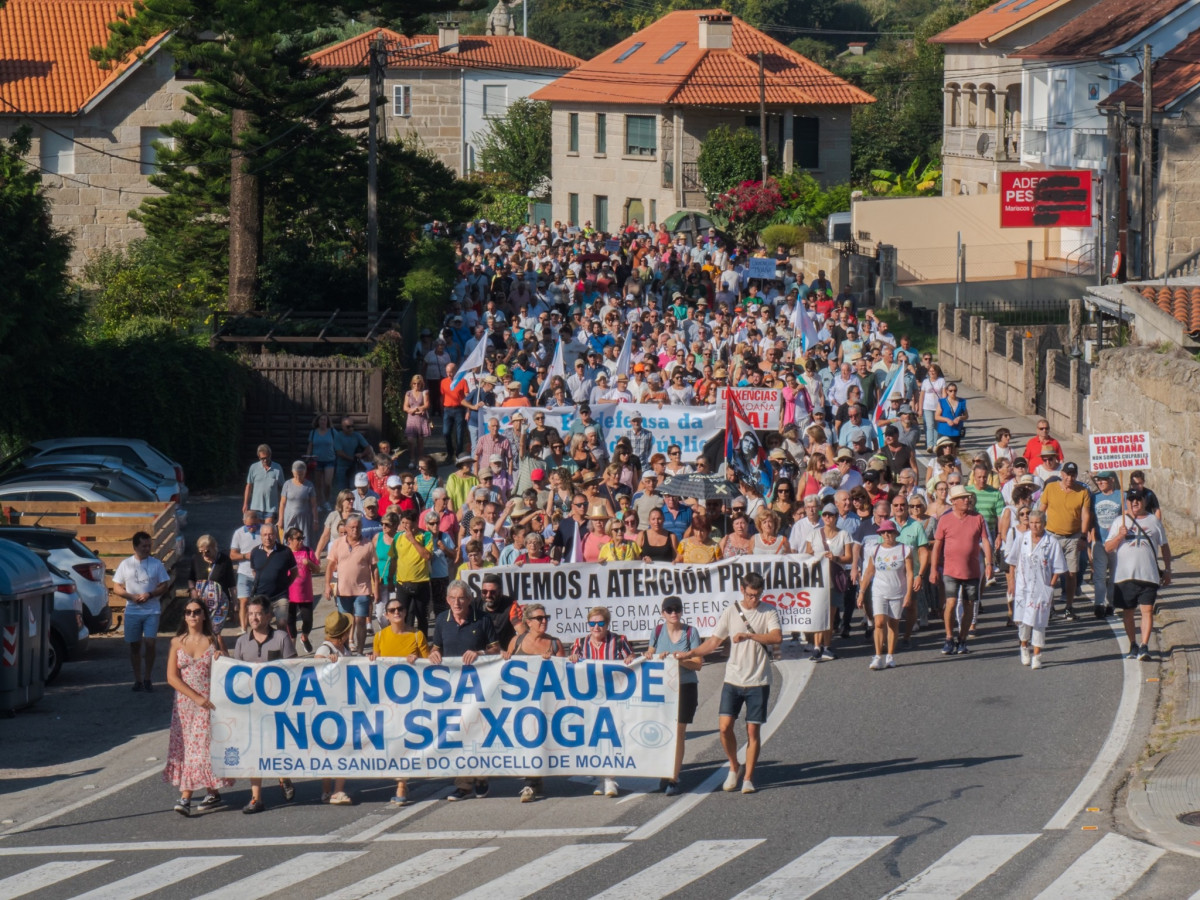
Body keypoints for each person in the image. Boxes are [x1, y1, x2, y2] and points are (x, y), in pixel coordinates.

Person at [687, 573, 782, 794]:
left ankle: (748, 778)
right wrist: (691, 653)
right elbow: (714, 641)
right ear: (742, 590)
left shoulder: (768, 611)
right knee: (724, 727)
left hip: (758, 679)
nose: (753, 599)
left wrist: (749, 636)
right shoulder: (731, 611)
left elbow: (776, 637)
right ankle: (734, 765)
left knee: (752, 730)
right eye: (749, 595)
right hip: (733, 678)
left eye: (757, 595)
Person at [429, 580, 502, 801]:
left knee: (478, 732)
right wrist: (433, 653)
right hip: (452, 689)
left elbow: (495, 648)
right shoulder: (442, 620)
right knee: (459, 734)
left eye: (461, 598)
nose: (457, 602)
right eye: (453, 598)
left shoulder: (483, 619)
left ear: (469, 599)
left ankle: (481, 778)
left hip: (479, 687)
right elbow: (436, 647)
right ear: (447, 600)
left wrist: (479, 653)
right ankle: (463, 785)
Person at [163, 599, 233, 816]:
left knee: (199, 749)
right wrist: (195, 697)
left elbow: (231, 669)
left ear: (204, 615)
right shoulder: (176, 642)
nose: (192, 615)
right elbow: (171, 677)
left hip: (208, 703)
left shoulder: (214, 640)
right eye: (188, 612)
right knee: (189, 750)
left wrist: (222, 657)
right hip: (185, 706)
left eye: (196, 611)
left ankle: (185, 798)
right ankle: (213, 792)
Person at [233, 595, 296, 813]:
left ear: (268, 615)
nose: (254, 618)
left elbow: (294, 668)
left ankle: (283, 775)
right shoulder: (241, 642)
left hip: (277, 705)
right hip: (251, 707)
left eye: (258, 614)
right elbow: (235, 674)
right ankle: (256, 798)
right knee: (254, 750)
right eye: (250, 614)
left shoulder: (281, 638)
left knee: (277, 745)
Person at [568, 605, 635, 798]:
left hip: (613, 695)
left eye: (600, 623)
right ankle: (600, 778)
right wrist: (573, 658)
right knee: (594, 737)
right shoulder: (580, 643)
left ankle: (610, 779)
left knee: (611, 736)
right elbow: (570, 663)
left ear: (607, 624)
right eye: (592, 623)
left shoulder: (619, 640)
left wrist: (630, 659)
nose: (596, 627)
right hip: (590, 698)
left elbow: (631, 658)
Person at [370, 594, 429, 805]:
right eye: (392, 610)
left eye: (400, 609)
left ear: (405, 612)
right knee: (392, 740)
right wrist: (372, 659)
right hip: (387, 698)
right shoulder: (379, 637)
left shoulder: (417, 635)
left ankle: (401, 784)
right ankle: (399, 778)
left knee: (405, 739)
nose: (397, 612)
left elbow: (429, 666)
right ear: (386, 615)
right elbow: (376, 665)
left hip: (411, 698)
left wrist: (418, 660)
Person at [505, 603, 566, 802]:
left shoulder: (554, 644)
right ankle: (533, 780)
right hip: (520, 703)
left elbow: (565, 676)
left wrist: (552, 663)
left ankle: (531, 783)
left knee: (537, 739)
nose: (544, 621)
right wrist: (505, 658)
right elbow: (505, 669)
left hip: (544, 702)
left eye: (546, 617)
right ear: (528, 622)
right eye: (539, 618)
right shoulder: (517, 641)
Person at [1106, 488, 1172, 661]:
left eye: (1138, 499)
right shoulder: (1119, 521)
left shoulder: (1154, 521)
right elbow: (1108, 548)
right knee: (1128, 611)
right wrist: (1119, 536)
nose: (1135, 502)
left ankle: (1144, 645)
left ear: (1144, 501)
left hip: (1148, 574)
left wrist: (1168, 569)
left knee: (1147, 610)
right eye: (1131, 499)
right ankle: (1133, 644)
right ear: (1126, 502)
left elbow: (1164, 546)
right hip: (1125, 575)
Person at [645, 596, 702, 795]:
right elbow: (650, 653)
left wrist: (679, 659)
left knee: (678, 733)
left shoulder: (690, 632)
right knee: (662, 731)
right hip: (662, 688)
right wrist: (650, 656)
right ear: (663, 613)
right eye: (669, 610)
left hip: (685, 686)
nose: (673, 613)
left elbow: (698, 664)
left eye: (677, 609)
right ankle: (666, 769)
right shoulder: (657, 632)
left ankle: (673, 778)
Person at [933, 485, 992, 655]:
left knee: (969, 604)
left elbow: (985, 541)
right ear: (954, 502)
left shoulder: (977, 518)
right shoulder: (945, 520)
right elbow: (937, 546)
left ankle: (962, 639)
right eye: (963, 498)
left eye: (967, 497)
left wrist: (989, 564)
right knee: (951, 603)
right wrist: (933, 569)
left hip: (972, 570)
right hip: (950, 570)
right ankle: (949, 637)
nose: (967, 500)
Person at [1006, 509, 1066, 670]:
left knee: (1039, 621)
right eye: (1032, 522)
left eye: (1037, 522)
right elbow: (1012, 562)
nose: (1034, 526)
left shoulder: (1051, 542)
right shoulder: (1022, 539)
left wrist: (1051, 586)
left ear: (1044, 523)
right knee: (1023, 622)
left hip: (1041, 588)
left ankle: (1037, 655)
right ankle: (1024, 646)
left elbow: (1058, 567)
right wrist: (1011, 582)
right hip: (1022, 587)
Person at [113, 531, 171, 692]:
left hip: (152, 610)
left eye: (149, 546)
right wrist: (130, 596)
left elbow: (164, 585)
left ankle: (148, 677)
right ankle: (138, 679)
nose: (147, 549)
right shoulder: (126, 564)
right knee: (134, 645)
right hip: (133, 611)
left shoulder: (156, 564)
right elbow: (116, 586)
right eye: (143, 546)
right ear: (135, 546)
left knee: (150, 643)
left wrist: (150, 594)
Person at [313, 611, 357, 805]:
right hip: (330, 706)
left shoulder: (342, 648)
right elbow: (315, 667)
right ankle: (333, 791)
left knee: (336, 748)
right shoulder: (325, 649)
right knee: (336, 749)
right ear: (344, 633)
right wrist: (327, 664)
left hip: (341, 705)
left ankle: (331, 790)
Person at [857, 520, 912, 670]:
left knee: (893, 624)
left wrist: (908, 594)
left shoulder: (904, 549)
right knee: (879, 622)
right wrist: (861, 592)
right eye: (883, 532)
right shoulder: (875, 550)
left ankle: (890, 655)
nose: (886, 535)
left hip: (897, 591)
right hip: (879, 590)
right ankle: (878, 656)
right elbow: (869, 572)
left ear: (895, 533)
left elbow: (909, 573)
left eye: (889, 532)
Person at [1038, 461, 1090, 620]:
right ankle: (1050, 606)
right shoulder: (1050, 488)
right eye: (1067, 474)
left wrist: (1083, 536)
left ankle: (1069, 607)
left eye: (1073, 475)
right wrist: (1037, 532)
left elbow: (1086, 515)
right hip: (1052, 536)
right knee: (1049, 573)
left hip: (1073, 537)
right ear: (1062, 474)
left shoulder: (1083, 491)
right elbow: (1041, 510)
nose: (1069, 478)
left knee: (1072, 573)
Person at [805, 503, 852, 661]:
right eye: (824, 514)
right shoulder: (813, 534)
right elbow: (807, 555)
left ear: (836, 517)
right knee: (818, 613)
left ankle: (827, 645)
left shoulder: (844, 534)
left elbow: (849, 557)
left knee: (830, 615)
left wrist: (836, 558)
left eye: (830, 515)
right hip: (818, 579)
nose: (827, 517)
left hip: (834, 578)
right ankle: (817, 646)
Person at [326, 515, 378, 654]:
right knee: (344, 623)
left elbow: (374, 568)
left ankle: (360, 651)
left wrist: (376, 589)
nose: (355, 530)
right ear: (347, 528)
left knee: (360, 620)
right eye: (352, 527)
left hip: (362, 590)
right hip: (343, 590)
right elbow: (330, 566)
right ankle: (346, 651)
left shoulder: (368, 544)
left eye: (358, 527)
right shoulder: (337, 543)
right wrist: (327, 585)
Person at [187, 534, 235, 651]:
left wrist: (235, 603)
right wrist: (192, 590)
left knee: (215, 631)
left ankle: (220, 654)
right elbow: (191, 578)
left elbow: (232, 583)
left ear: (214, 547)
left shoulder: (224, 560)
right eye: (201, 552)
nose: (204, 555)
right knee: (201, 630)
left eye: (207, 551)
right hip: (200, 602)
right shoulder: (196, 559)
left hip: (220, 603)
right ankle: (204, 653)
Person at [394, 508, 434, 635]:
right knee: (403, 616)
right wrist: (390, 578)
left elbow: (427, 556)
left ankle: (423, 642)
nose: (405, 526)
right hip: (402, 583)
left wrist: (413, 540)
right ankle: (405, 641)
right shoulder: (398, 537)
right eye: (403, 523)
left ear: (416, 522)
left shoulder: (426, 536)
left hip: (421, 583)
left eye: (407, 523)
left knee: (422, 616)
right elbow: (394, 558)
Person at [1089, 471, 1124, 618]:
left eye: (1103, 480)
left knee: (1115, 575)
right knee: (1100, 575)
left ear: (1111, 480)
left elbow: (1127, 516)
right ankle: (1099, 604)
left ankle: (1111, 604)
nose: (1100, 483)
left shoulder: (1121, 496)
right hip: (1099, 541)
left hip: (1116, 543)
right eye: (1098, 480)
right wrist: (1091, 537)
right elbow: (1091, 518)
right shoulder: (1094, 497)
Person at [283, 526, 320, 654]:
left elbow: (318, 569)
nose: (301, 541)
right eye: (298, 538)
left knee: (308, 621)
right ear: (289, 540)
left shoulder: (308, 551)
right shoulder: (285, 553)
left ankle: (304, 637)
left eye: (302, 538)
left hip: (305, 594)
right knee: (290, 623)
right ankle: (292, 650)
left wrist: (309, 563)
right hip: (289, 594)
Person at [249, 522, 297, 610]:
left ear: (275, 535)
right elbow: (254, 571)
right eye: (265, 535)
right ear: (261, 536)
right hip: (261, 595)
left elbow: (294, 572)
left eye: (270, 534)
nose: (267, 538)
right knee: (261, 618)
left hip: (281, 595)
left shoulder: (285, 551)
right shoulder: (255, 552)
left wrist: (284, 584)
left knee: (282, 618)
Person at [277, 460, 318, 548]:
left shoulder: (309, 485)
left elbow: (314, 505)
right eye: (296, 474)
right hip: (289, 518)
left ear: (305, 472)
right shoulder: (287, 484)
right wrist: (280, 519)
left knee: (303, 539)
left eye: (301, 474)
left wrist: (315, 520)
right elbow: (282, 503)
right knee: (288, 538)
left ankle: (304, 554)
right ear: (293, 472)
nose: (298, 477)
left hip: (304, 519)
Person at [243, 444, 285, 522]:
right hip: (256, 506)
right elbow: (249, 486)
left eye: (267, 458)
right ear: (259, 457)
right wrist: (245, 503)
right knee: (258, 528)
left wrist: (281, 505)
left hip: (271, 507)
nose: (265, 460)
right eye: (262, 458)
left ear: (270, 455)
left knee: (268, 528)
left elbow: (282, 487)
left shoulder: (277, 468)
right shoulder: (253, 467)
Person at [306, 413, 337, 511]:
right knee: (318, 484)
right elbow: (310, 446)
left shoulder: (332, 432)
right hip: (316, 461)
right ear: (318, 421)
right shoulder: (313, 432)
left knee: (328, 483)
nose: (323, 421)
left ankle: (326, 501)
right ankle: (319, 503)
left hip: (329, 460)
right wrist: (307, 457)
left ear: (327, 421)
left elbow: (339, 444)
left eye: (324, 420)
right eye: (321, 419)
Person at [333, 417, 371, 492]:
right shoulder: (338, 436)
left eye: (352, 426)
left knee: (354, 489)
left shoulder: (357, 435)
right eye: (348, 427)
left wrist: (362, 454)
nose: (351, 428)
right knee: (343, 490)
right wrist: (352, 458)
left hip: (355, 466)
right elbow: (339, 452)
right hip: (342, 466)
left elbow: (368, 447)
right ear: (343, 427)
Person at [403, 374, 432, 461]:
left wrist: (418, 408)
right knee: (410, 440)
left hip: (421, 418)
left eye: (418, 383)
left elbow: (427, 404)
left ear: (421, 384)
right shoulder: (408, 393)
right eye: (414, 383)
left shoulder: (424, 392)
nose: (416, 385)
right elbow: (405, 407)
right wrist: (411, 410)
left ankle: (420, 459)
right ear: (412, 383)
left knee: (420, 440)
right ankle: (412, 458)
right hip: (411, 418)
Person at [934, 382, 968, 448]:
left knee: (954, 450)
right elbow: (937, 417)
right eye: (951, 391)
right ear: (947, 391)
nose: (953, 392)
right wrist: (947, 420)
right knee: (943, 450)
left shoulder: (961, 402)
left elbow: (966, 416)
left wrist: (959, 418)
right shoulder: (942, 402)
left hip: (956, 431)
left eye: (955, 390)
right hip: (944, 431)